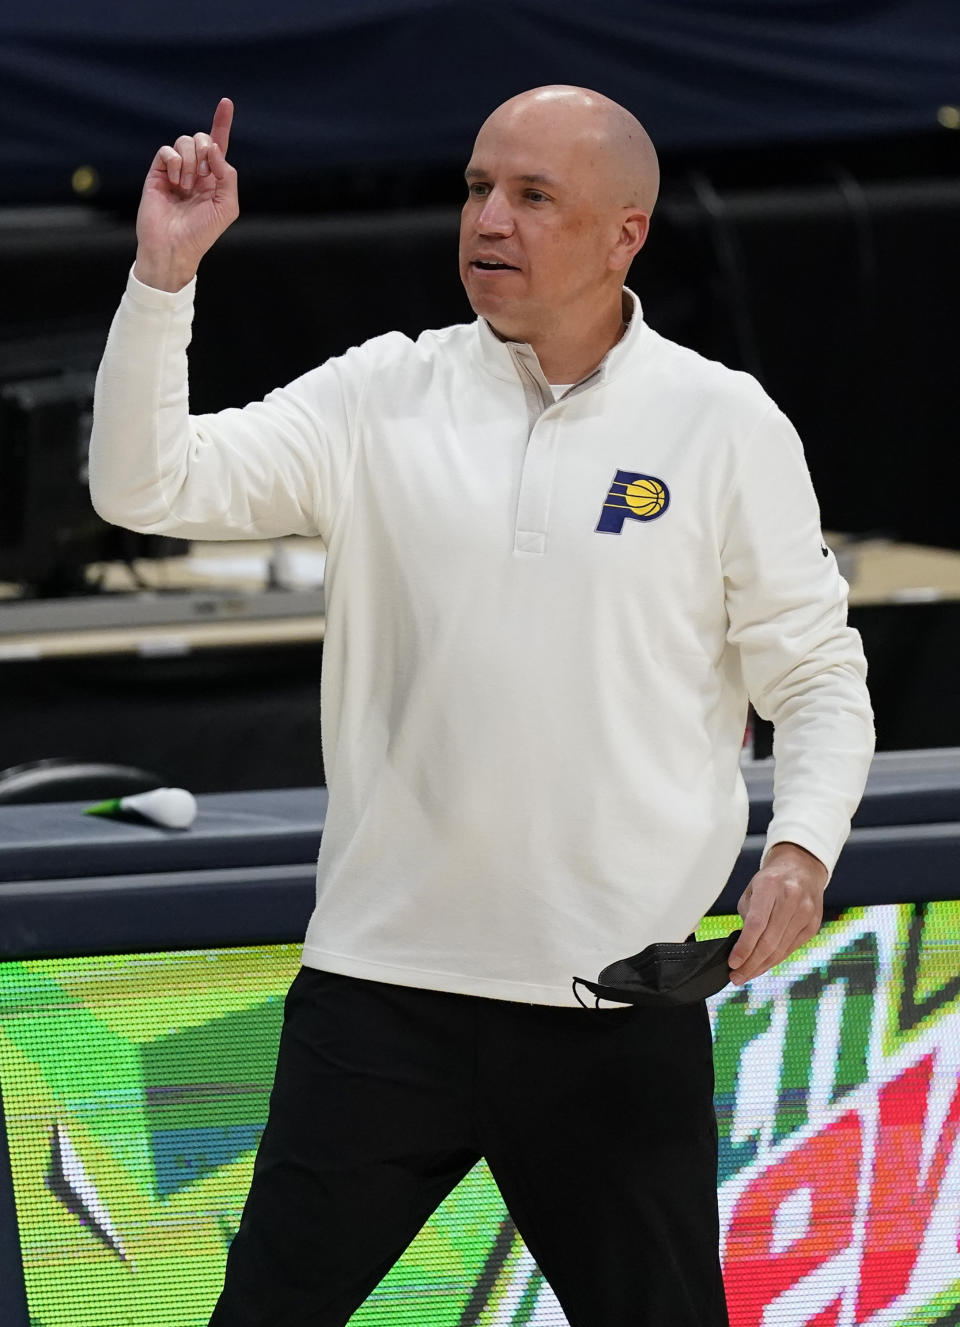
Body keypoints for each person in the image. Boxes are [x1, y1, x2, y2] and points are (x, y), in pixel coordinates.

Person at [89, 86, 875, 1327]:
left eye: (532, 196)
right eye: (475, 188)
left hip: (611, 1004)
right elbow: (145, 484)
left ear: (626, 233)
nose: (488, 221)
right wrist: (162, 277)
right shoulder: (380, 395)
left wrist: (803, 848)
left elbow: (818, 672)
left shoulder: (722, 424)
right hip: (379, 988)